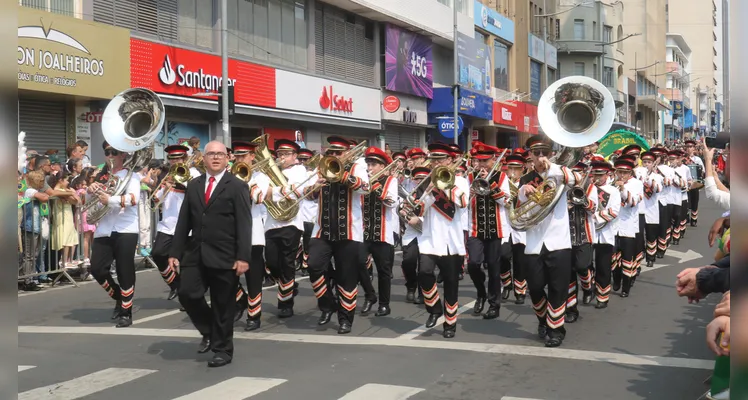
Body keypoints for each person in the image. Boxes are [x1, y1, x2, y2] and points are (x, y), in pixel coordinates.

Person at [169, 140, 252, 368]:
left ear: (227, 158)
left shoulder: (237, 185)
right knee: (187, 294)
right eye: (211, 154)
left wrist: (243, 256)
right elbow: (184, 220)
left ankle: (223, 350)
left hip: (225, 255)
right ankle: (209, 330)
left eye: (220, 154)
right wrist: (175, 251)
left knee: (222, 305)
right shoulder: (194, 185)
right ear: (203, 159)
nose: (215, 158)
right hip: (195, 253)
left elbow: (245, 224)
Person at [517, 136, 578, 348]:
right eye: (537, 153)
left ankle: (555, 330)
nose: (541, 157)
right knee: (534, 288)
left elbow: (575, 180)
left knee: (558, 288)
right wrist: (524, 193)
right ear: (530, 156)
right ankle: (543, 320)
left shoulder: (560, 172)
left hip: (558, 242)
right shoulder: (525, 180)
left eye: (544, 152)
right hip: (534, 242)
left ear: (551, 154)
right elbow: (518, 210)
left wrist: (551, 166)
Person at [414, 142, 468, 338]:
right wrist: (428, 192)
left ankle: (450, 323)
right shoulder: (425, 182)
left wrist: (444, 186)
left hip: (452, 241)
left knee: (452, 283)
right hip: (430, 238)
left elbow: (462, 202)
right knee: (424, 273)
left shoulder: (460, 181)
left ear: (449, 161)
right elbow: (418, 210)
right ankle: (434, 309)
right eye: (433, 160)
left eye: (440, 160)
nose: (436, 164)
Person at [88, 141, 142, 328]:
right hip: (104, 229)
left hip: (126, 228)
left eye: (114, 152)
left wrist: (110, 199)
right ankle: (121, 298)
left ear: (122, 155)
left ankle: (126, 312)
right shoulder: (101, 177)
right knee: (97, 269)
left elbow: (133, 199)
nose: (110, 155)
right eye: (107, 152)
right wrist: (90, 191)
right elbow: (90, 203)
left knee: (124, 270)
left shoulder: (131, 176)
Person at [465, 142, 510, 319]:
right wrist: (470, 193)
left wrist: (490, 184)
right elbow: (463, 203)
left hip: (495, 229)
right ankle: (480, 293)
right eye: (479, 161)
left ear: (493, 160)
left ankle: (494, 304)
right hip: (475, 228)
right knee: (473, 265)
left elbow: (506, 201)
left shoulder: (501, 177)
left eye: (486, 161)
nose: (482, 165)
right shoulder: (469, 178)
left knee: (494, 268)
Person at [150, 145, 201, 301]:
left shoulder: (193, 173)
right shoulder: (167, 176)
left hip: (186, 226)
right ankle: (175, 284)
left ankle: (187, 296)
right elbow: (157, 198)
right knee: (158, 254)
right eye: (172, 159)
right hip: (167, 224)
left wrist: (180, 182)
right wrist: (164, 186)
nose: (174, 162)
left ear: (185, 159)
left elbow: (196, 192)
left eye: (178, 158)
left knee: (185, 262)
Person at [359, 147, 398, 316]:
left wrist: (376, 187)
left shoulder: (390, 181)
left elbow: (391, 203)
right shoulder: (363, 181)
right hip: (363, 231)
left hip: (383, 232)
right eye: (368, 164)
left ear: (382, 166)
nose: (369, 168)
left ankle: (384, 304)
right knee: (358, 262)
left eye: (373, 164)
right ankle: (370, 295)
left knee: (384, 271)